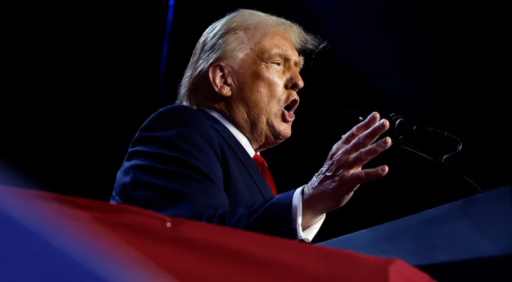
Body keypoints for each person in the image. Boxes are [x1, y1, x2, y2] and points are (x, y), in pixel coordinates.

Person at [110, 9, 391, 242]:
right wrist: (309, 201)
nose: (298, 82)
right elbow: (192, 240)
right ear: (223, 80)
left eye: (299, 68)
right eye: (278, 63)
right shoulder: (179, 128)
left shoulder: (252, 167)